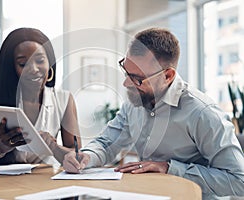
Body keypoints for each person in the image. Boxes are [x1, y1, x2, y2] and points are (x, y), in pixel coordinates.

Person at [63, 27, 244, 199]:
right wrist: (86, 156)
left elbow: (238, 180)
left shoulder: (202, 113)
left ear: (168, 76)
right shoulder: (134, 103)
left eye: (138, 78)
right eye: (126, 71)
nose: (126, 83)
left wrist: (169, 169)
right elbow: (107, 143)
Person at [0, 27, 81, 165]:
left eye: (40, 61)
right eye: (23, 64)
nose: (34, 69)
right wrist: (1, 147)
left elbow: (78, 155)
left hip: (44, 180)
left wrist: (53, 147)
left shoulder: (64, 99)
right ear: (11, 67)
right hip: (2, 182)